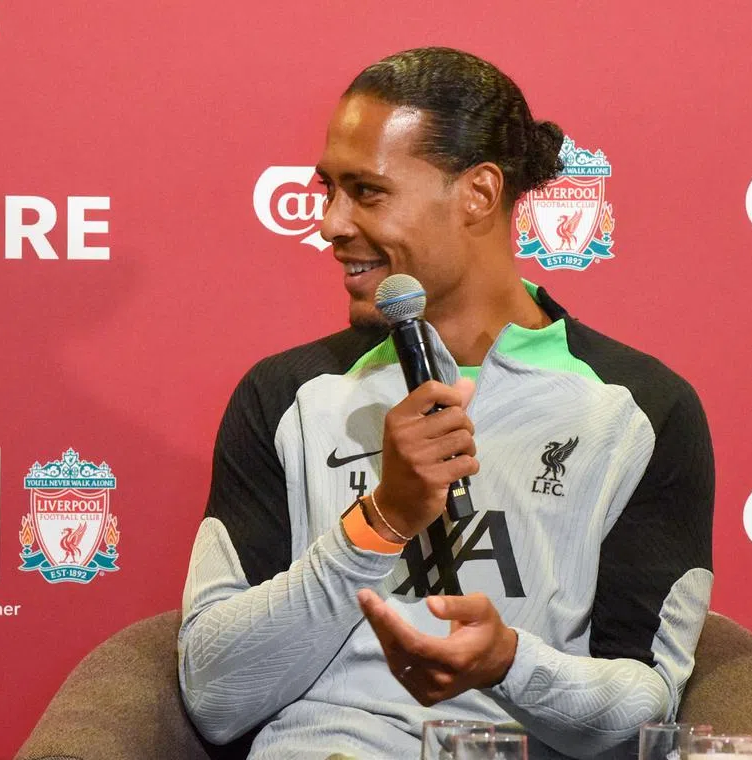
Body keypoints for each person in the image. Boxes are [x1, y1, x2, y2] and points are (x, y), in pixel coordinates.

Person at [178, 46, 714, 760]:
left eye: (366, 192)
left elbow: (648, 710)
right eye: (327, 190)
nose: (331, 224)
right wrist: (380, 521)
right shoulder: (286, 395)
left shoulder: (640, 408)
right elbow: (214, 695)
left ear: (479, 195)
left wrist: (509, 664)